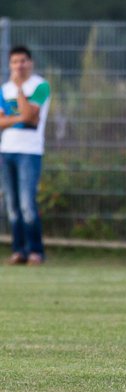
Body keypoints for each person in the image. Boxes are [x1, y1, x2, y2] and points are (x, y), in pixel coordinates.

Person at [1, 46, 50, 266]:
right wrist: (22, 118)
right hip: (6, 151)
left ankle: (35, 251)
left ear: (31, 63)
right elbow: (5, 121)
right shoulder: (3, 90)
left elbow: (32, 114)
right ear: (9, 64)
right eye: (14, 62)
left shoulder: (40, 86)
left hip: (30, 152)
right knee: (12, 205)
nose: (18, 66)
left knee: (27, 205)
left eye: (23, 61)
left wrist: (20, 91)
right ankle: (19, 251)